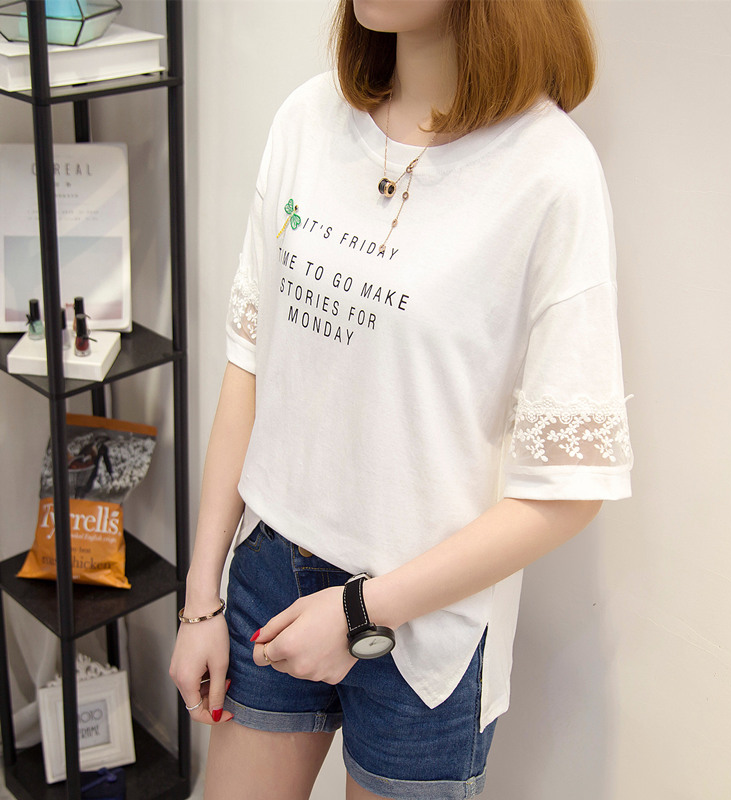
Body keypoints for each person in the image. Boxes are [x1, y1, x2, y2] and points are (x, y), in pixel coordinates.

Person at [170, 1, 633, 798]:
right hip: (270, 572)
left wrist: (360, 612)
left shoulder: (551, 173)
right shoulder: (308, 120)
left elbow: (567, 491)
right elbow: (250, 364)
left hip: (426, 626)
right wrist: (200, 599)